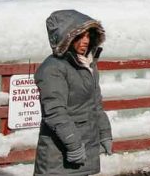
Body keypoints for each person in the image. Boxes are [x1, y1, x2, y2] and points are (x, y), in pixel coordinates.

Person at [33, 10, 111, 176]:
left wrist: (104, 134)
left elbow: (95, 104)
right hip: (59, 153)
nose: (85, 41)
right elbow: (55, 112)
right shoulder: (52, 68)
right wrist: (74, 144)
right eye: (79, 36)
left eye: (88, 36)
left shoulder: (87, 64)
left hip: (85, 146)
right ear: (66, 37)